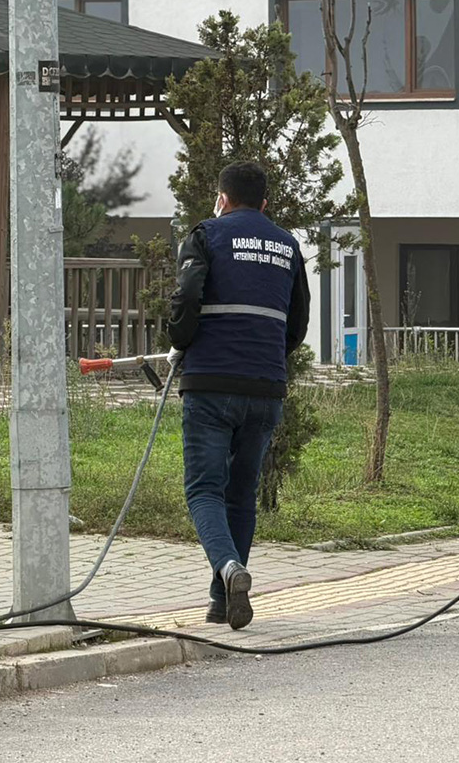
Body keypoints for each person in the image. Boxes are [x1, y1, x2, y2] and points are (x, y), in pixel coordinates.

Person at [168, 161, 310, 629]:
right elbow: (298, 323)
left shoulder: (206, 235)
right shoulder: (288, 246)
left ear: (222, 198)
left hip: (211, 382)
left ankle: (230, 570)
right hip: (265, 387)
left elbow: (188, 296)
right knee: (242, 493)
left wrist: (181, 340)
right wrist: (268, 356)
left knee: (204, 489)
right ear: (265, 203)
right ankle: (220, 602)